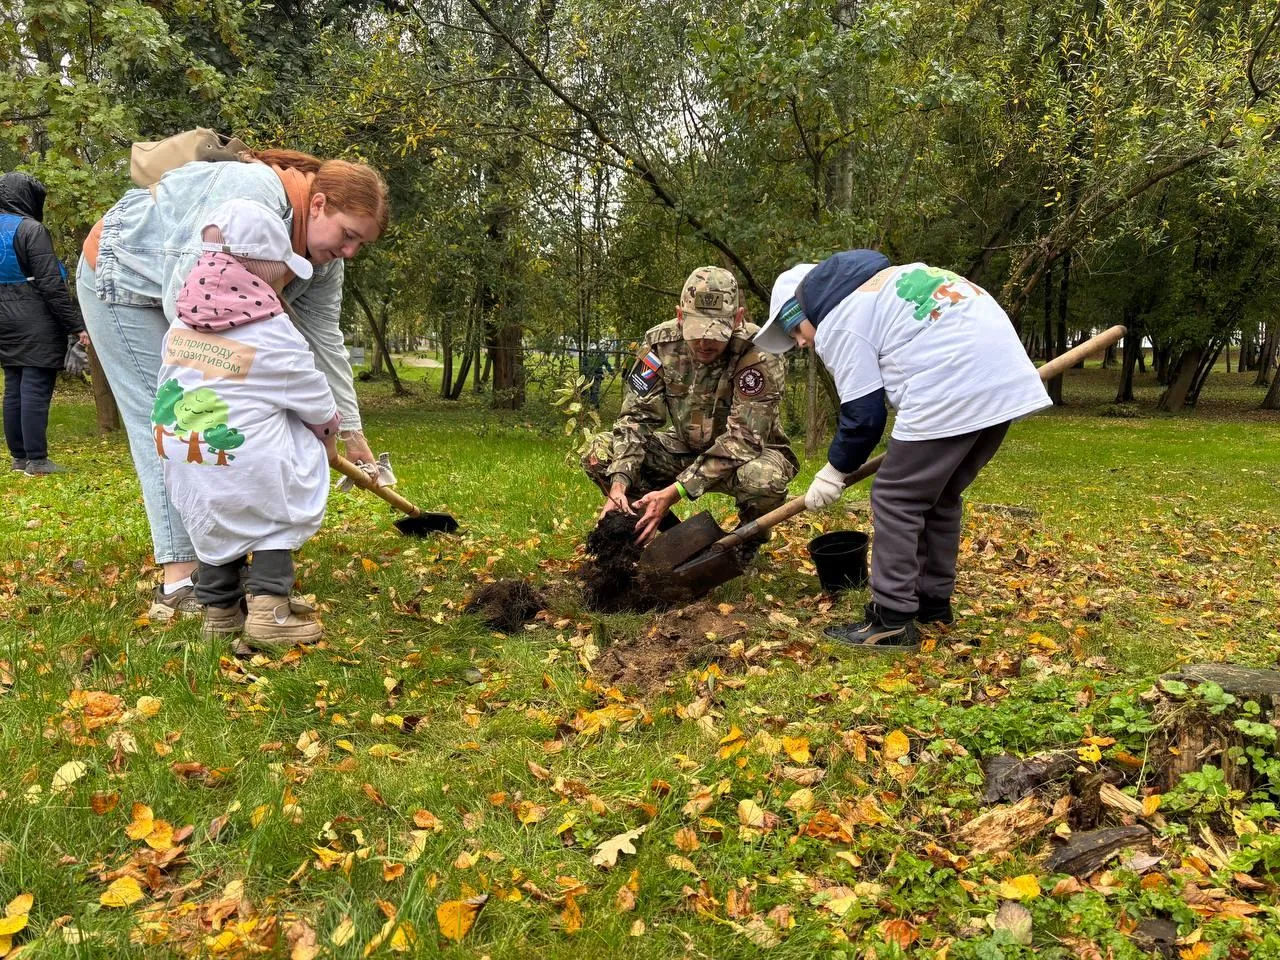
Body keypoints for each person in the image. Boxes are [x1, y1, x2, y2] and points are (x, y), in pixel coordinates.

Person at [77, 148, 388, 622]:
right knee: (174, 418)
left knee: (230, 422)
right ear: (319, 204)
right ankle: (182, 581)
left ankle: (225, 568)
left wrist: (350, 431)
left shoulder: (325, 262)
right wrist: (262, 379)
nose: (350, 251)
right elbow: (192, 308)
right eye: (348, 235)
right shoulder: (249, 199)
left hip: (198, 312)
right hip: (124, 278)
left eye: (360, 244)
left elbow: (324, 339)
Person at [755, 250, 1051, 649]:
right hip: (1004, 381)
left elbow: (864, 416)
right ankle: (932, 603)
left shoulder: (839, 317)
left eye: (794, 330)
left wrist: (833, 472)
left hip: (952, 380)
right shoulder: (881, 288)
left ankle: (892, 620)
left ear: (802, 307)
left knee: (896, 497)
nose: (802, 342)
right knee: (940, 496)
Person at [156, 199, 339, 650]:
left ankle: (219, 612)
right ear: (264, 270)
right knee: (278, 500)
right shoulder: (270, 331)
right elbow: (313, 396)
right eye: (282, 272)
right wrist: (327, 434)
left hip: (184, 453)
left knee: (217, 519)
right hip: (241, 459)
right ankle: (271, 612)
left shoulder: (180, 325)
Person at [582, 266, 798, 550]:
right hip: (684, 447)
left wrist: (676, 491)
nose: (705, 342)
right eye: (696, 331)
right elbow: (636, 418)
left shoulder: (760, 352)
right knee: (600, 453)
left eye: (716, 333)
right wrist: (619, 484)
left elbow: (745, 439)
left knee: (762, 480)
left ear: (737, 319)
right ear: (680, 316)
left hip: (749, 455)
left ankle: (745, 543)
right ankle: (665, 535)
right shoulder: (660, 344)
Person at [0, 172, 88, 476]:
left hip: (4, 320)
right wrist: (76, 325)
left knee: (14, 386)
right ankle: (37, 460)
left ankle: (19, 457)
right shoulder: (30, 229)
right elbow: (51, 284)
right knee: (35, 386)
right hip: (35, 317)